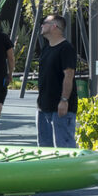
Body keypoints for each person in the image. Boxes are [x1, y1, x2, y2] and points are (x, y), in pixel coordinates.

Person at [34, 14, 80, 148]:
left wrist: (64, 100)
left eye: (45, 23)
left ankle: (71, 169)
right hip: (43, 106)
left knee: (63, 146)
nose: (42, 25)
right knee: (44, 147)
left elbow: (69, 75)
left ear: (54, 26)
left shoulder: (66, 48)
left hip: (60, 108)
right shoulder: (46, 49)